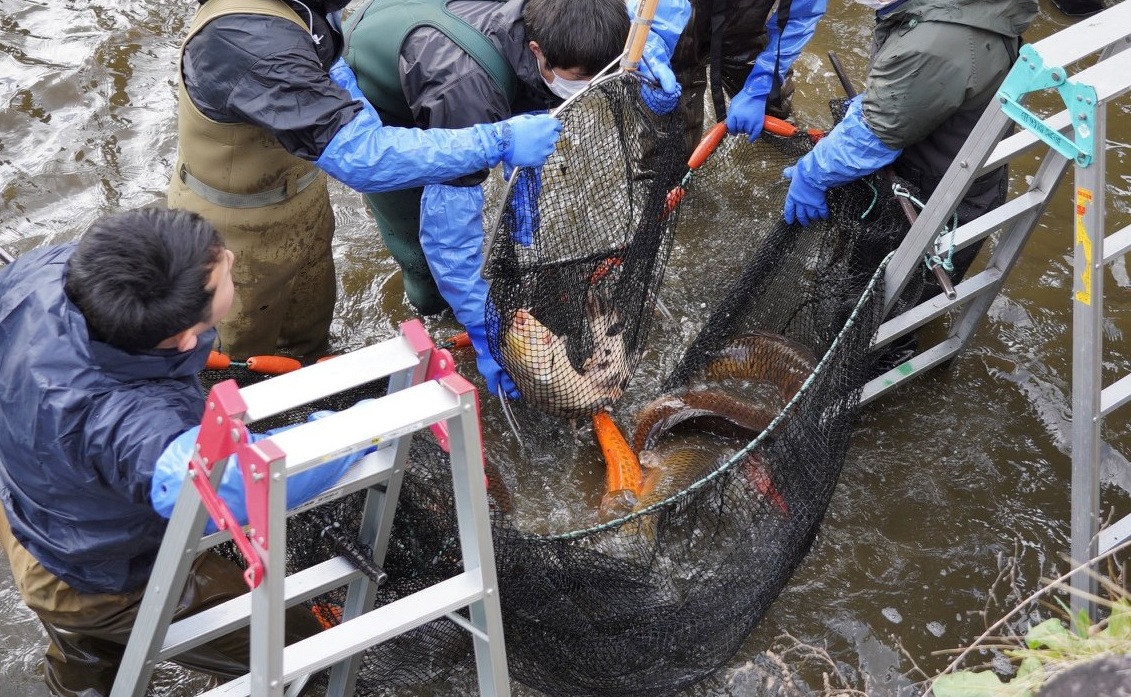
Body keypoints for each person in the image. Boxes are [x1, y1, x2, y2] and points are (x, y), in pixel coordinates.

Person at [0, 207, 364, 696]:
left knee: (88, 650)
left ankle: (81, 669)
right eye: (224, 273)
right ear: (184, 337)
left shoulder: (42, 274)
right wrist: (357, 429)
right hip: (102, 574)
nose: (231, 256)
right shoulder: (131, 422)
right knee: (296, 651)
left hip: (29, 515)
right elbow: (234, 483)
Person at [168, 0, 565, 363]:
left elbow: (334, 75)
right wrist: (497, 140)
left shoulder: (307, 8)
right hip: (235, 232)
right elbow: (362, 157)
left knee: (308, 343)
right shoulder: (249, 41)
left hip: (303, 202)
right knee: (242, 361)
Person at [343, 0, 689, 398]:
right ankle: (434, 312)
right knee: (422, 249)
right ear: (538, 50)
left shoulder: (574, 17)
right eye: (580, 78)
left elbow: (653, 10)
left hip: (458, 37)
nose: (590, 87)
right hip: (389, 84)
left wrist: (652, 54)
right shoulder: (465, 89)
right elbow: (448, 236)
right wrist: (485, 333)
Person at [780, 0, 1038, 363]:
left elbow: (876, 134)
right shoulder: (951, 11)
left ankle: (873, 362)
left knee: (881, 316)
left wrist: (812, 174)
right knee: (875, 291)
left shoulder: (933, 43)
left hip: (937, 200)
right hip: (952, 171)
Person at [669, 0, 827, 155]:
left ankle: (798, 157)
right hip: (675, 30)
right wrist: (655, 50)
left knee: (776, 111)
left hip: (744, 29)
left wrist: (760, 85)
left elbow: (801, 15)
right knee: (671, 139)